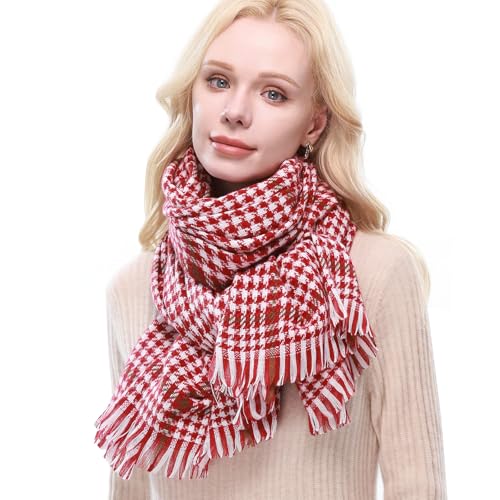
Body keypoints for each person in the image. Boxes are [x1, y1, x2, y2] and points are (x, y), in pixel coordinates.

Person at [95, 1, 448, 498]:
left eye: (274, 93)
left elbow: (418, 485)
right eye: (218, 81)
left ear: (314, 124)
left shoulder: (373, 273)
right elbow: (129, 485)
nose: (235, 112)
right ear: (192, 93)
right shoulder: (133, 287)